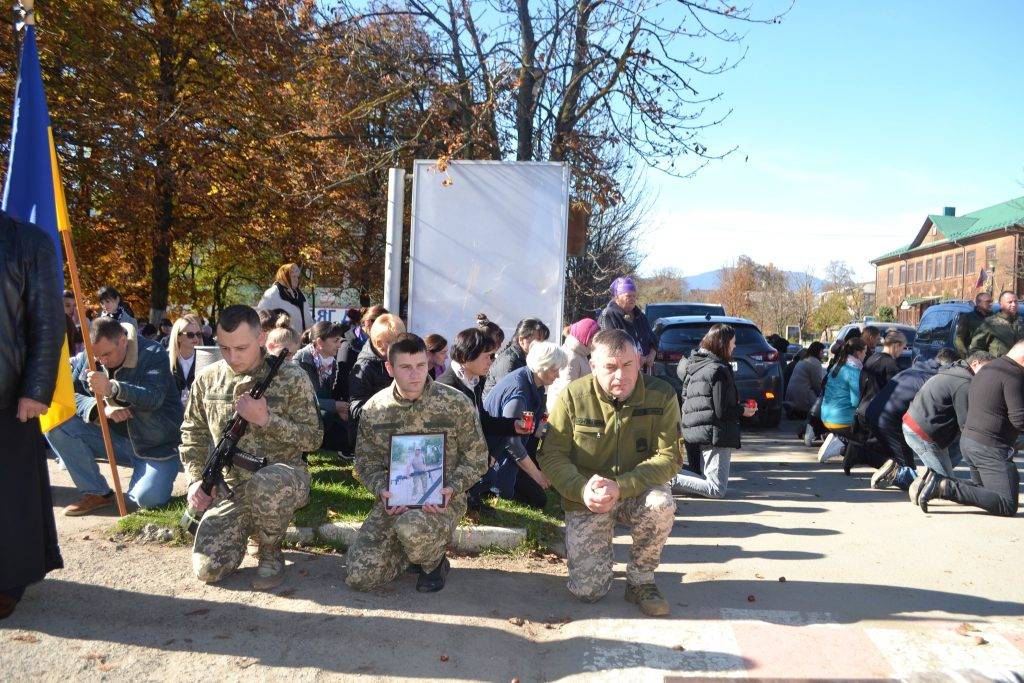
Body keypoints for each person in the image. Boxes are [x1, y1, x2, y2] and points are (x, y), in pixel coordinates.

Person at [538, 329, 679, 616]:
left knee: (661, 504)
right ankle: (595, 560)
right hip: (587, 496)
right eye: (610, 367)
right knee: (588, 592)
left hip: (635, 491)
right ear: (592, 366)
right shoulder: (573, 397)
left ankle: (640, 580)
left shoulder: (661, 395)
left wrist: (622, 486)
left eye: (628, 365)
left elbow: (670, 457)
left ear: (639, 361)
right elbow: (551, 455)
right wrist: (581, 488)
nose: (621, 376)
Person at [183, 305, 323, 589]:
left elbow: (314, 438)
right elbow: (192, 433)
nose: (232, 357)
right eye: (224, 348)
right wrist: (196, 480)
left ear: (261, 338)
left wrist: (267, 420)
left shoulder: (291, 378)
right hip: (233, 488)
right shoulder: (208, 380)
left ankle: (269, 550)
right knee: (207, 570)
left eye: (241, 348)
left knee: (267, 483)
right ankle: (251, 528)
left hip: (283, 479)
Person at [345, 334, 488, 593]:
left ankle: (432, 563)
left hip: (442, 500)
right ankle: (410, 553)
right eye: (406, 367)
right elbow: (365, 463)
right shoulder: (375, 409)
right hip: (395, 500)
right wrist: (382, 490)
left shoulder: (455, 404)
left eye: (421, 365)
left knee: (412, 529)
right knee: (359, 576)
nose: (415, 374)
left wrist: (452, 488)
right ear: (389, 368)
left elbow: (477, 458)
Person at [46, 318, 184, 515]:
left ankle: (143, 483)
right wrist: (100, 407)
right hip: (116, 441)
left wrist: (113, 389)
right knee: (56, 423)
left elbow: (153, 398)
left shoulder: (154, 353)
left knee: (146, 500)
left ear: (122, 340)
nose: (101, 360)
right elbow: (68, 395)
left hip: (156, 447)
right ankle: (97, 492)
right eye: (96, 356)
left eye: (106, 354)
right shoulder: (92, 354)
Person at [0, 211, 65, 620]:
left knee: (10, 498)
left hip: (8, 397)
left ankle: (8, 581)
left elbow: (47, 322)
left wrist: (36, 389)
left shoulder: (26, 241)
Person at [911, 339, 1024, 516]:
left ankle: (933, 482)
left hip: (971, 443)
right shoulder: (1013, 375)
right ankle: (943, 486)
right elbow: (1020, 419)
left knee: (983, 489)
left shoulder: (989, 368)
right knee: (1007, 503)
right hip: (990, 447)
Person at [471, 341, 568, 509]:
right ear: (542, 367)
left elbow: (533, 425)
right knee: (535, 499)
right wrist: (537, 475)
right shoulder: (519, 391)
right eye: (555, 370)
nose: (558, 375)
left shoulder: (532, 381)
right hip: (495, 456)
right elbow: (511, 441)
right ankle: (491, 490)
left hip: (507, 454)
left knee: (538, 498)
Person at [672, 324, 757, 499]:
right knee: (716, 489)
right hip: (714, 434)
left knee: (702, 478)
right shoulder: (718, 370)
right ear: (722, 344)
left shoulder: (696, 364)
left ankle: (665, 476)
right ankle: (666, 480)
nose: (734, 347)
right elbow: (721, 411)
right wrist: (743, 410)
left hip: (694, 431)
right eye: (732, 343)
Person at [864, 349, 956, 490]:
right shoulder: (932, 378)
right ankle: (897, 473)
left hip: (874, 410)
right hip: (889, 418)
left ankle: (860, 454)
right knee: (907, 471)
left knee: (904, 460)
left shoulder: (916, 369)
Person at [903, 351, 993, 479]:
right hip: (922, 432)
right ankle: (899, 475)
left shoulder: (955, 371)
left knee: (957, 449)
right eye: (987, 368)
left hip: (918, 424)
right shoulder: (964, 383)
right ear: (975, 363)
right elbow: (966, 424)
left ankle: (934, 472)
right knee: (944, 484)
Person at [293, 321, 350, 453]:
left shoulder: (331, 362)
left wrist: (339, 408)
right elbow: (301, 400)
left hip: (323, 408)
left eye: (340, 340)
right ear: (319, 342)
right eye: (335, 340)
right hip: (303, 411)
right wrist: (334, 406)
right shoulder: (301, 360)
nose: (339, 345)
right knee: (326, 416)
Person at [597, 276, 657, 372]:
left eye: (634, 296)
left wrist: (652, 354)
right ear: (617, 297)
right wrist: (633, 358)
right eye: (628, 296)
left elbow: (652, 339)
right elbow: (607, 346)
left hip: (644, 371)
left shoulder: (640, 316)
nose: (632, 299)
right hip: (621, 372)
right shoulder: (609, 315)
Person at [483, 317, 547, 397]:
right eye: (538, 340)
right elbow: (507, 399)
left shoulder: (529, 359)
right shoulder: (509, 362)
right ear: (522, 340)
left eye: (543, 341)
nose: (542, 345)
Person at [547, 318, 599, 413]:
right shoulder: (571, 357)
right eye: (594, 338)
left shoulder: (580, 352)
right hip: (565, 412)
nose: (597, 342)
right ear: (585, 336)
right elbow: (566, 390)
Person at [338, 305, 386, 401]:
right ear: (368, 322)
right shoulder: (347, 347)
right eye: (383, 326)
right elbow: (342, 382)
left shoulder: (378, 344)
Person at [257, 263, 313, 337]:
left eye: (297, 277)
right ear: (284, 276)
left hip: (302, 341)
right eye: (293, 276)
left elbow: (307, 318)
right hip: (282, 341)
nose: (296, 280)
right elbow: (262, 318)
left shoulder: (299, 295)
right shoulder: (272, 294)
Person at [859, 330, 905, 412]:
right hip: (876, 413)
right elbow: (896, 395)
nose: (902, 351)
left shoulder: (872, 358)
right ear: (897, 345)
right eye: (903, 347)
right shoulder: (891, 365)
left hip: (863, 408)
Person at [969, 290, 1024, 358]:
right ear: (1000, 304)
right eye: (1010, 302)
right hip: (998, 366)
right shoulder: (990, 323)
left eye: (1016, 301)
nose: (1014, 305)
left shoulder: (1021, 321)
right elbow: (976, 348)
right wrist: (989, 363)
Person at [785, 342, 825, 419]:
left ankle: (795, 409)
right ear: (817, 351)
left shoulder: (803, 359)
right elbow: (817, 385)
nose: (823, 353)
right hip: (802, 396)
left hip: (790, 395)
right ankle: (801, 410)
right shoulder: (815, 362)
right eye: (821, 351)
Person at [169, 316, 202, 406]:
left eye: (198, 334)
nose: (196, 338)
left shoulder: (204, 361)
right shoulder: (166, 361)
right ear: (178, 337)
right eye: (190, 334)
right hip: (173, 414)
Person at [955, 293, 994, 358]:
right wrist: (966, 356)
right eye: (988, 302)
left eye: (991, 302)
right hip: (975, 357)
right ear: (979, 303)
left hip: (992, 357)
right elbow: (958, 339)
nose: (991, 304)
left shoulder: (995, 317)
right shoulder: (967, 318)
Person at [63, 289, 83, 354]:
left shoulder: (70, 321)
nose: (72, 309)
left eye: (74, 305)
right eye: (67, 305)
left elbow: (78, 338)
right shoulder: (64, 320)